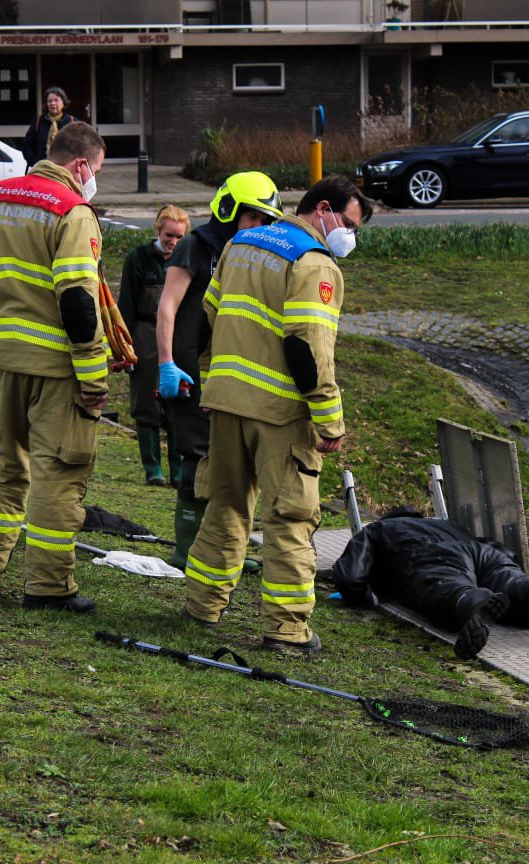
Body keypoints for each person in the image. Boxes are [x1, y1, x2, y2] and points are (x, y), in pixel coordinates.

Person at [179, 175, 372, 655]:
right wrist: (329, 420)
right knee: (289, 518)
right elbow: (307, 347)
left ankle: (201, 607)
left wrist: (212, 383)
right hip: (280, 413)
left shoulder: (241, 242)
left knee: (224, 507)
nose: (350, 236)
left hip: (226, 403)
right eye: (348, 223)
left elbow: (208, 319)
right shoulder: (313, 264)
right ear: (322, 209)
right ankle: (287, 630)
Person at [0, 122, 108, 613]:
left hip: (5, 361)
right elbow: (78, 300)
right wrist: (93, 378)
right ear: (80, 165)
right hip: (57, 369)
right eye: (94, 171)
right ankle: (49, 587)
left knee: (4, 463)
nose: (93, 179)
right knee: (59, 473)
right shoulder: (73, 212)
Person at [155, 171, 283, 569]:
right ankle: (186, 550)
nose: (259, 227)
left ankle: (220, 549)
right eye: (253, 218)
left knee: (229, 463)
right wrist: (166, 363)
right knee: (197, 459)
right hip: (190, 373)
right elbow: (167, 307)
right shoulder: (196, 247)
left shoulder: (251, 254)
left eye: (267, 221)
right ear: (229, 211)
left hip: (229, 376)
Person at [332, 509, 529, 660]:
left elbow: (349, 576)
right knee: (522, 591)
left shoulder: (381, 529)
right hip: (484, 553)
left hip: (428, 556)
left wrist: (365, 598)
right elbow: (499, 553)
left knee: (449, 589)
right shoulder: (445, 523)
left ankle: (473, 602)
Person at [118, 204, 189, 486]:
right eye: (169, 235)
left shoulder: (185, 259)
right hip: (145, 332)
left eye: (179, 237)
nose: (173, 242)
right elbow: (126, 304)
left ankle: (178, 469)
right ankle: (152, 469)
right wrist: (125, 346)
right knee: (146, 401)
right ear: (158, 230)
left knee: (177, 402)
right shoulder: (138, 258)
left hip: (177, 334)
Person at [21, 87, 75, 168]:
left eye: (56, 100)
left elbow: (78, 147)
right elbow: (26, 145)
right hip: (42, 169)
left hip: (65, 170)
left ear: (63, 102)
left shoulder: (71, 122)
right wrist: (36, 163)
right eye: (50, 101)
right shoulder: (38, 121)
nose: (53, 103)